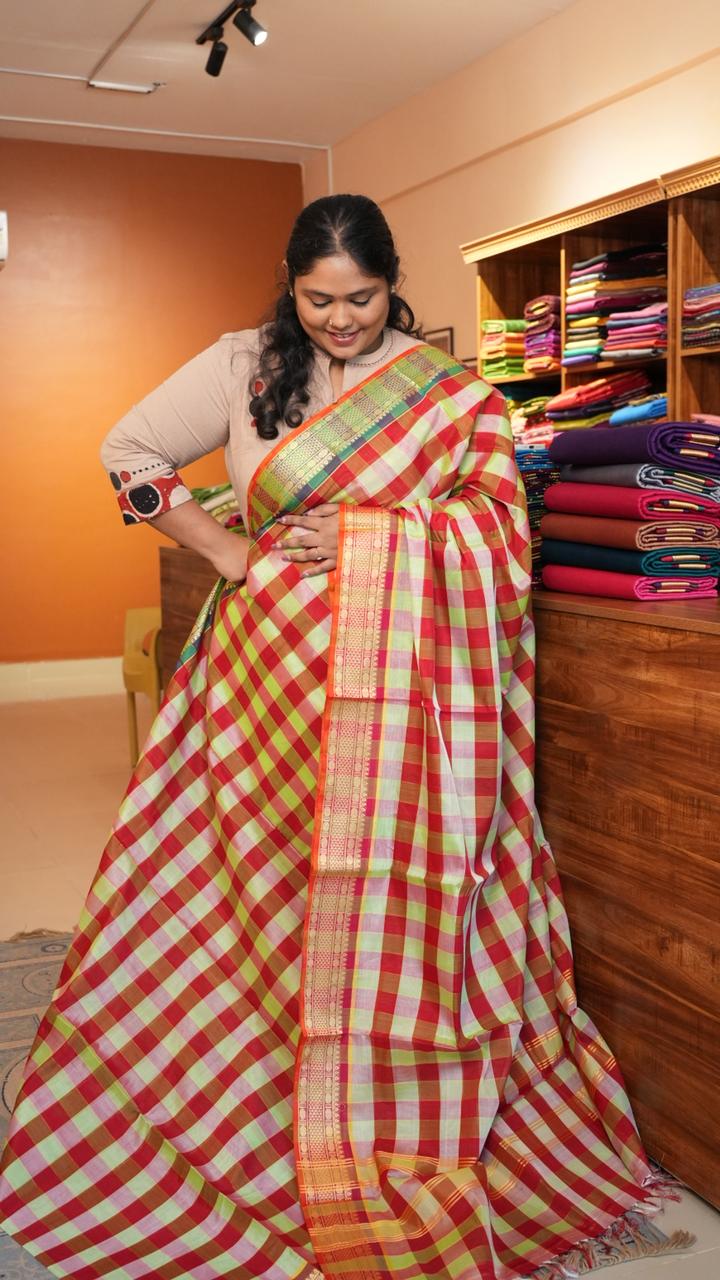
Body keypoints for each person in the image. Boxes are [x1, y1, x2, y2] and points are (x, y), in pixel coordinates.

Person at [0, 195, 688, 1280]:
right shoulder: (241, 364)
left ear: (390, 284)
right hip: (265, 684)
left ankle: (377, 1100)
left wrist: (375, 534)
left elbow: (500, 529)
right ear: (292, 287)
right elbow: (125, 451)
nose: (339, 319)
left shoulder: (447, 393)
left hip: (407, 701)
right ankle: (257, 1090)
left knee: (387, 901)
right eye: (318, 299)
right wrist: (225, 550)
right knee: (263, 890)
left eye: (360, 298)